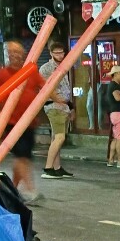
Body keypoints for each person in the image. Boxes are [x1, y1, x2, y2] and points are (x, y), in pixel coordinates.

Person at [0, 41, 53, 204]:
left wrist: (62, 101)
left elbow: (44, 87)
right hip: (12, 123)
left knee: (24, 157)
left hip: (29, 122)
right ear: (8, 55)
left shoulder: (30, 71)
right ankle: (31, 190)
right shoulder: (2, 75)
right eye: (12, 53)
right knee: (21, 157)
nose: (16, 56)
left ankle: (13, 191)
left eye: (18, 53)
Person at [39, 40, 74, 179]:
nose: (60, 55)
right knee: (60, 137)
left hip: (64, 106)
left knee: (57, 138)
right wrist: (56, 99)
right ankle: (48, 168)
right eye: (57, 53)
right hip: (54, 106)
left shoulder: (64, 67)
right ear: (51, 53)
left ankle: (57, 167)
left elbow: (65, 88)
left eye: (62, 52)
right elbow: (45, 87)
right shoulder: (46, 68)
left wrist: (70, 107)